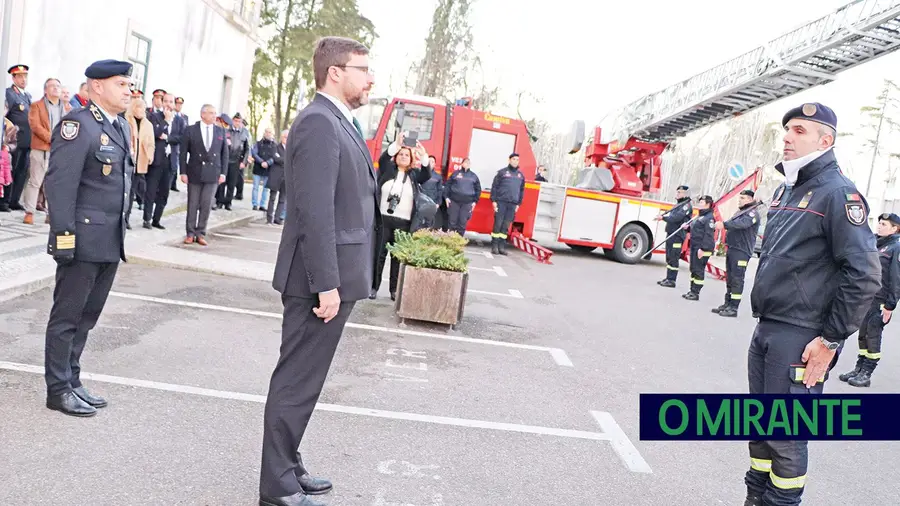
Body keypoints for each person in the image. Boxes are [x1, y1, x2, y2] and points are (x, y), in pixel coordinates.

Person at [260, 36, 378, 506]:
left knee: (306, 382)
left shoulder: (337, 122)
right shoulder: (318, 123)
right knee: (295, 381)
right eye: (363, 69)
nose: (371, 79)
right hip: (316, 282)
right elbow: (313, 212)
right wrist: (325, 283)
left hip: (332, 277)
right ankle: (278, 487)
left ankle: (287, 464)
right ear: (335, 72)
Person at [743, 102, 880, 506]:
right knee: (760, 429)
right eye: (786, 129)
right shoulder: (789, 187)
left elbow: (864, 274)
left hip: (801, 336)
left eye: (799, 130)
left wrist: (831, 339)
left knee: (784, 437)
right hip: (769, 326)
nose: (787, 136)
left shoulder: (839, 193)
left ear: (826, 140)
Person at [42, 59, 134, 417]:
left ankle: (73, 379)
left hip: (109, 240)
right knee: (67, 317)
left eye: (129, 85)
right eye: (121, 84)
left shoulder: (120, 127)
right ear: (96, 86)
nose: (128, 90)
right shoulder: (77, 126)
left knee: (87, 316)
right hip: (80, 239)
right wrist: (63, 238)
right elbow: (59, 185)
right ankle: (58, 389)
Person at [839, 212, 900, 387]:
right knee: (863, 334)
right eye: (879, 223)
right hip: (867, 298)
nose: (880, 226)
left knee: (873, 335)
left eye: (884, 224)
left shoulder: (896, 247)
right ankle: (858, 368)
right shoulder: (876, 243)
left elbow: (897, 278)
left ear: (895, 229)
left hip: (881, 301)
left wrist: (890, 305)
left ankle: (867, 373)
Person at [371, 132, 432, 300]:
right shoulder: (387, 170)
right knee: (378, 256)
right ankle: (373, 287)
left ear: (412, 159)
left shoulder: (413, 175)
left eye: (407, 155)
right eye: (401, 154)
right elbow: (383, 158)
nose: (404, 156)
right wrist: (396, 145)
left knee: (397, 258)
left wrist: (423, 156)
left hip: (404, 223)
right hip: (383, 221)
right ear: (396, 156)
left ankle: (394, 290)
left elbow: (427, 175)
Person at [179, 104, 228, 245]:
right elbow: (183, 153)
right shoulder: (190, 130)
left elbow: (224, 154)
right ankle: (190, 233)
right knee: (193, 204)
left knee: (206, 204)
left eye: (215, 113)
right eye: (211, 113)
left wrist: (223, 173)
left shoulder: (220, 131)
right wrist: (183, 172)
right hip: (194, 171)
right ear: (202, 115)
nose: (214, 116)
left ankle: (200, 233)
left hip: (213, 173)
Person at [713, 189, 760, 317]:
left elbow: (741, 224)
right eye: (740, 198)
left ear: (750, 200)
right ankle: (727, 304)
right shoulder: (741, 211)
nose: (740, 200)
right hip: (733, 248)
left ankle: (733, 308)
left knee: (737, 279)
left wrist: (724, 224)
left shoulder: (752, 213)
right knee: (730, 278)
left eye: (743, 198)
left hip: (742, 250)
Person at [655, 185, 692, 288]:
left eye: (680, 192)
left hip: (677, 235)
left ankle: (672, 280)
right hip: (671, 233)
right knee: (669, 257)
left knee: (674, 258)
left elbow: (676, 218)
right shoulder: (679, 204)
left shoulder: (686, 206)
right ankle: (668, 278)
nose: (677, 194)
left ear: (685, 194)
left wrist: (663, 218)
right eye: (677, 192)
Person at [489, 153, 525, 255]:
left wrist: (518, 204)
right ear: (509, 160)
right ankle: (494, 246)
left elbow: (521, 190)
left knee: (505, 226)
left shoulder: (520, 175)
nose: (515, 161)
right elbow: (494, 187)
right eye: (514, 159)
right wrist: (494, 201)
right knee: (498, 224)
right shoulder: (502, 173)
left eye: (517, 159)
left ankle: (501, 247)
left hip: (512, 204)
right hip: (501, 202)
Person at [681, 195, 715, 301]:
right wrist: (688, 228)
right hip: (695, 246)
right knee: (693, 269)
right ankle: (692, 290)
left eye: (702, 202)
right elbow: (696, 229)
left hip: (702, 248)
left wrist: (703, 249)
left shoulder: (709, 218)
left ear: (708, 204)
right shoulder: (700, 216)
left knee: (698, 269)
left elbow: (708, 235)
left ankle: (696, 293)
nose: (699, 204)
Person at [444, 157, 481, 236]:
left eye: (468, 162)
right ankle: (450, 241)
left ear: (470, 165)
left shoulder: (474, 176)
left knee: (462, 223)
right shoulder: (455, 174)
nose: (467, 164)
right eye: (465, 162)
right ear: (462, 164)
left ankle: (459, 242)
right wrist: (446, 197)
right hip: (454, 202)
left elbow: (478, 190)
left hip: (467, 203)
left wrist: (475, 201)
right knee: (452, 222)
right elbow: (447, 185)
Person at [264, 129, 288, 225]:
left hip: (285, 177)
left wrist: (283, 160)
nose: (286, 139)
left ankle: (277, 218)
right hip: (275, 176)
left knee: (282, 199)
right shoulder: (275, 147)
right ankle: (269, 218)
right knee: (272, 198)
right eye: (285, 137)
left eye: (288, 137)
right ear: (282, 137)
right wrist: (286, 160)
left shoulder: (291, 149)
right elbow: (275, 158)